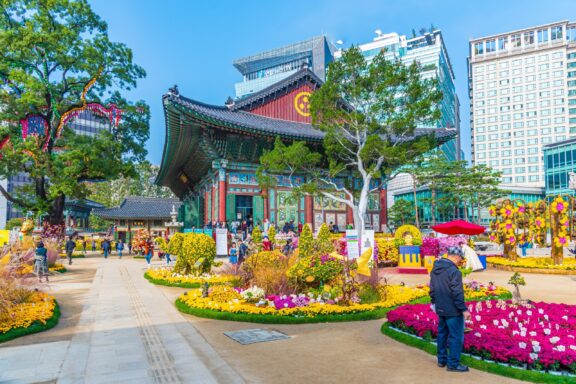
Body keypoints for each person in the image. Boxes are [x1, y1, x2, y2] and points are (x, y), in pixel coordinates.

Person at [429, 246, 471, 373]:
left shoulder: (435, 268)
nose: (460, 261)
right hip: (453, 309)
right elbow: (457, 292)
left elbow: (432, 289)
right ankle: (453, 364)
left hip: (440, 307)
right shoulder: (454, 271)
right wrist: (464, 309)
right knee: (456, 337)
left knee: (442, 334)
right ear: (456, 257)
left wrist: (434, 303)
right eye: (460, 259)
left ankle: (442, 360)